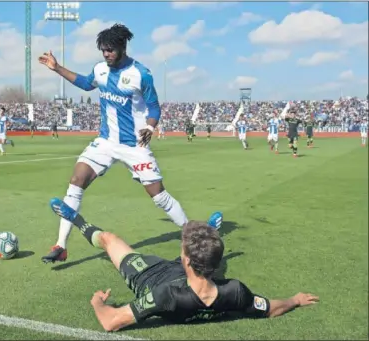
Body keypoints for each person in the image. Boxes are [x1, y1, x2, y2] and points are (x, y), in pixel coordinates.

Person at [48, 197, 319, 332]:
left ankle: (76, 219)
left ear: (188, 259)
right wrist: (294, 299)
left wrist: (97, 301)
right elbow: (270, 308)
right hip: (183, 273)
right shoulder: (234, 291)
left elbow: (111, 321)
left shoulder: (166, 297)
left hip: (147, 275)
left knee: (109, 240)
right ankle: (209, 236)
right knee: (200, 263)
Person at [38, 24, 189, 263]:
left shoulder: (141, 74)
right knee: (77, 180)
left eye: (110, 50)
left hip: (134, 146)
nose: (106, 54)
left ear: (122, 47)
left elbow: (154, 107)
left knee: (158, 195)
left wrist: (150, 127)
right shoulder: (100, 69)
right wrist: (56, 68)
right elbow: (86, 83)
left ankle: (193, 235)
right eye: (103, 50)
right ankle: (61, 245)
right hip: (106, 141)